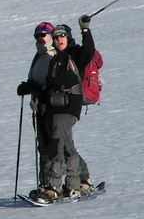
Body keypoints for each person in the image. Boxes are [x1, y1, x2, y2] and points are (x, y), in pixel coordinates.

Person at [17, 22, 91, 188]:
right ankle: (46, 183)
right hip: (41, 108)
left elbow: (53, 84)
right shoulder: (39, 57)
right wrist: (29, 86)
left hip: (56, 107)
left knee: (59, 145)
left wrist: (37, 89)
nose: (40, 38)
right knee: (45, 146)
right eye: (37, 35)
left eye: (43, 34)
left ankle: (80, 178)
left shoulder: (55, 55)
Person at [36, 17, 95, 202]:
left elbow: (89, 50)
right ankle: (73, 184)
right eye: (55, 37)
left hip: (68, 107)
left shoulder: (74, 54)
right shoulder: (56, 59)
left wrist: (85, 30)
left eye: (61, 36)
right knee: (67, 145)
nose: (58, 40)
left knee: (56, 146)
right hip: (55, 108)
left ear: (68, 37)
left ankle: (53, 186)